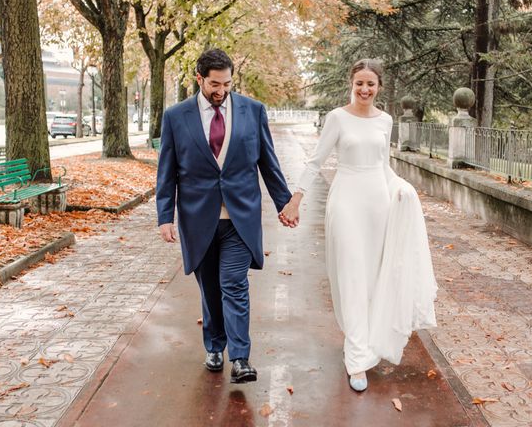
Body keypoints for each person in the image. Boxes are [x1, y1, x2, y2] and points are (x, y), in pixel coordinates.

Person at [279, 59, 438, 392]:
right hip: (346, 201)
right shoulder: (337, 118)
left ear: (379, 86)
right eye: (359, 84)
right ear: (350, 84)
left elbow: (384, 167)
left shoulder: (386, 120)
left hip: (378, 203)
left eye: (371, 84)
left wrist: (402, 188)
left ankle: (366, 340)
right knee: (351, 274)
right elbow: (315, 161)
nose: (365, 90)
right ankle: (357, 358)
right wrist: (296, 199)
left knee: (373, 276)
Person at [156, 48, 293, 384]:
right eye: (214, 84)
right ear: (199, 79)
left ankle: (241, 358)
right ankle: (214, 346)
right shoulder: (176, 116)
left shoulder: (253, 111)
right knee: (210, 290)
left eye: (227, 83)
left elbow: (268, 163)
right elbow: (167, 170)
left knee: (233, 284)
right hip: (197, 220)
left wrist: (284, 204)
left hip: (239, 218)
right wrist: (165, 216)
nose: (221, 91)